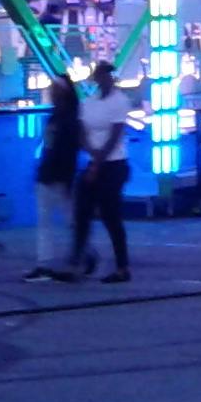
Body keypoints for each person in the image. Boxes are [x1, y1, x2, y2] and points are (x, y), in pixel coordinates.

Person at [65, 62, 133, 283]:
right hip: (95, 159)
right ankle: (77, 262)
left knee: (110, 214)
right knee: (81, 212)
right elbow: (82, 132)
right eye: (100, 76)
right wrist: (92, 155)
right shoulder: (88, 103)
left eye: (107, 76)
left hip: (114, 163)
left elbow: (116, 135)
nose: (103, 80)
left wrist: (97, 161)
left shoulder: (120, 101)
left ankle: (122, 267)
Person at [29, 75, 83, 281]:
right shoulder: (56, 117)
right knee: (47, 220)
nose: (51, 92)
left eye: (54, 89)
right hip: (49, 174)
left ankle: (80, 255)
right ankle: (45, 263)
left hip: (59, 175)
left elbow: (67, 151)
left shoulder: (68, 120)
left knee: (68, 220)